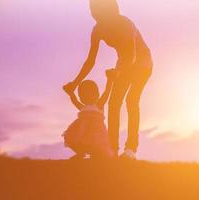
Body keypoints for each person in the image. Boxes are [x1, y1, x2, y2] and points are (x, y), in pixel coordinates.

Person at [63, 0, 153, 159]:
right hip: (122, 65)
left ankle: (130, 149)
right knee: (114, 104)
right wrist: (75, 83)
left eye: (95, 9)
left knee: (131, 100)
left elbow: (131, 56)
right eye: (91, 9)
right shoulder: (97, 30)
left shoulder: (125, 24)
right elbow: (90, 61)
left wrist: (117, 72)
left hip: (142, 64)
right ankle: (111, 150)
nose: (92, 13)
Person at [62, 69, 116, 160]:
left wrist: (110, 80)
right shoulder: (83, 107)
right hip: (81, 130)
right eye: (83, 95)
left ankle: (95, 154)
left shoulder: (99, 105)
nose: (88, 96)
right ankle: (81, 153)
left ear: (96, 94)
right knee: (73, 138)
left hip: (96, 131)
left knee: (96, 143)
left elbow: (106, 93)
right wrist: (70, 93)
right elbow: (75, 101)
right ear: (82, 97)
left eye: (91, 93)